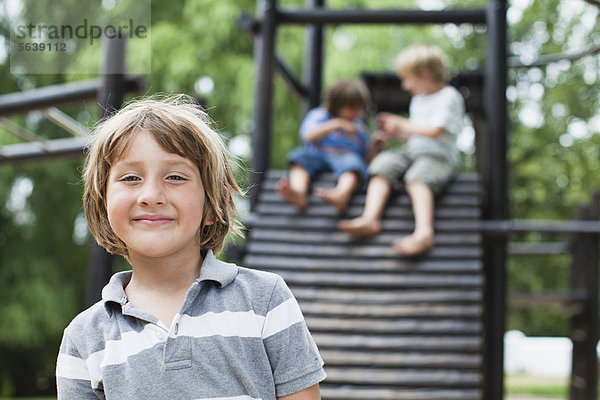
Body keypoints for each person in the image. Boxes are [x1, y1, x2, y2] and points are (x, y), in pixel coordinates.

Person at [55, 96, 326, 399]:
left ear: (214, 205)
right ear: (102, 205)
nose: (151, 195)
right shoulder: (84, 339)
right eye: (131, 177)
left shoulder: (265, 299)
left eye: (175, 177)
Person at [339, 44, 465, 256]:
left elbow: (436, 131)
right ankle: (370, 218)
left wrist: (403, 124)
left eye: (408, 79)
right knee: (382, 165)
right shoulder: (418, 100)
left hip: (438, 156)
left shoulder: (448, 96)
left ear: (424, 75)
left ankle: (424, 233)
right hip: (414, 151)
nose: (405, 86)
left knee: (417, 179)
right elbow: (416, 133)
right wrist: (395, 132)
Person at [277, 79, 386, 212]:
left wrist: (376, 147)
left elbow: (364, 159)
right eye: (353, 108)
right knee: (299, 157)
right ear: (337, 105)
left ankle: (342, 194)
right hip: (318, 154)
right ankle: (298, 192)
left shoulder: (359, 128)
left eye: (360, 108)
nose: (358, 112)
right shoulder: (319, 115)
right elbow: (308, 136)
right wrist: (337, 124)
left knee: (355, 165)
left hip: (345, 158)